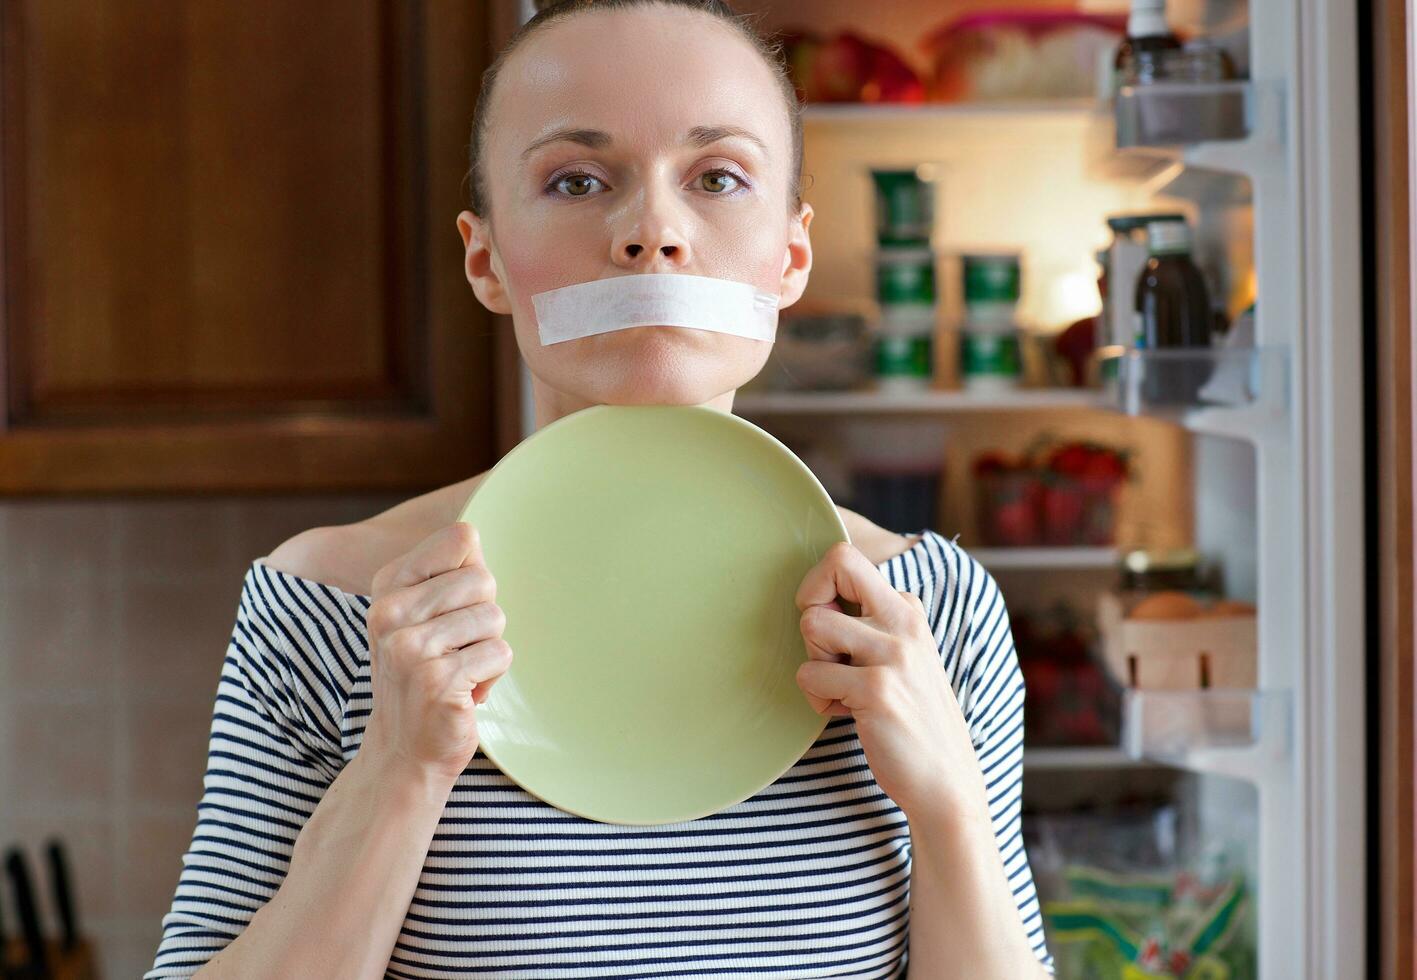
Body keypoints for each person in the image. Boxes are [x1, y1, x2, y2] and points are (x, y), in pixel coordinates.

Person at [145, 1, 1055, 977]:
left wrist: (949, 806)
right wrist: (398, 770)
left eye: (716, 178)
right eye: (577, 180)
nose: (650, 232)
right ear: (485, 258)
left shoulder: (929, 610)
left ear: (789, 256)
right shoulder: (330, 601)